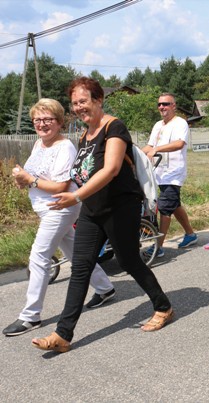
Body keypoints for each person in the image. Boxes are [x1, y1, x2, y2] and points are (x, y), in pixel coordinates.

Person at [31, 77, 173, 353]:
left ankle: (163, 306)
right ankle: (63, 334)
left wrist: (76, 196)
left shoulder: (114, 127)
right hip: (91, 209)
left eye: (83, 101)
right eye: (74, 104)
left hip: (120, 207)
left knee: (130, 261)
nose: (79, 107)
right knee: (80, 268)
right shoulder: (84, 135)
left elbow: (111, 169)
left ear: (98, 99)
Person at [3, 99, 115, 337]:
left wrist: (30, 180)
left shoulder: (64, 147)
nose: (42, 124)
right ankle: (106, 288)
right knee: (75, 253)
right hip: (44, 209)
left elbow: (61, 185)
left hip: (60, 207)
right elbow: (34, 175)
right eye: (38, 120)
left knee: (39, 255)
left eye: (48, 119)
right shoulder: (39, 144)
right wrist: (21, 178)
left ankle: (30, 316)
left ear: (60, 122)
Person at [142, 93, 197, 258]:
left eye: (166, 104)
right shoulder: (158, 125)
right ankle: (190, 234)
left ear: (174, 106)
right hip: (158, 172)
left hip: (173, 172)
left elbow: (179, 143)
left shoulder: (180, 123)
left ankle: (158, 246)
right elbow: (150, 146)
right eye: (159, 104)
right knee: (174, 204)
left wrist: (157, 149)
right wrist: (132, 155)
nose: (161, 107)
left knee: (165, 208)